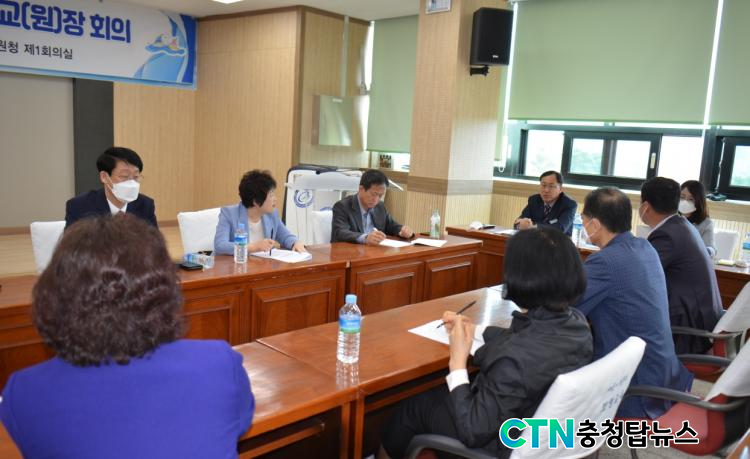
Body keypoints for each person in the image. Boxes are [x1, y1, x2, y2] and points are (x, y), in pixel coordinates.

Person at [0, 214, 254, 458]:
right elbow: (238, 422)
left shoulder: (24, 394)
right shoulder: (220, 364)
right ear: (164, 289)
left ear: (55, 296)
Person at [379, 227, 593, 458]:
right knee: (435, 394)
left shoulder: (514, 360)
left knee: (415, 406)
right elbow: (524, 338)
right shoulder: (576, 323)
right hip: (542, 429)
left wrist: (457, 363)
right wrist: (473, 330)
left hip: (502, 442)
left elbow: (471, 431)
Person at [573, 187, 692, 419]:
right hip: (665, 374)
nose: (583, 224)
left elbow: (564, 306)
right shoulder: (645, 247)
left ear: (595, 224)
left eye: (583, 219)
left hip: (635, 386)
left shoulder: (604, 262)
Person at [640, 177, 724, 354]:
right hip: (699, 319)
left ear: (645, 206)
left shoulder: (667, 234)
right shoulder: (681, 225)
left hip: (689, 331)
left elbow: (641, 275)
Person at [214, 170, 306, 255]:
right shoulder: (229, 214)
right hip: (236, 265)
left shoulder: (272, 214)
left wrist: (295, 242)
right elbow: (220, 245)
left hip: (261, 264)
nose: (275, 199)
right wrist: (254, 247)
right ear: (256, 201)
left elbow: (285, 236)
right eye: (271, 195)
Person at [65, 146, 157, 228]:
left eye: (136, 177)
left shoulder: (145, 205)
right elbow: (73, 241)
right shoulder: (79, 206)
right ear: (104, 177)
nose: (131, 182)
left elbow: (154, 240)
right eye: (124, 176)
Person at [331, 169, 413, 244]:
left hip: (373, 251)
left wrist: (403, 231)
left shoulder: (380, 206)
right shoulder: (342, 206)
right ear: (361, 189)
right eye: (373, 194)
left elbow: (392, 226)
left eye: (380, 195)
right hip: (349, 252)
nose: (376, 200)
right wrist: (365, 238)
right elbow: (340, 232)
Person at [514, 170, 577, 236]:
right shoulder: (534, 200)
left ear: (560, 189)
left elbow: (560, 229)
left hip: (558, 241)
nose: (546, 190)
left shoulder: (569, 204)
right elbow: (518, 221)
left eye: (551, 186)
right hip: (535, 239)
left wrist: (534, 227)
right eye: (543, 185)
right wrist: (520, 225)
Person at [680, 180, 716, 257]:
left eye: (691, 199)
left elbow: (711, 249)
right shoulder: (670, 217)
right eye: (682, 197)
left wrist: (704, 251)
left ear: (699, 201)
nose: (685, 201)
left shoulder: (706, 223)